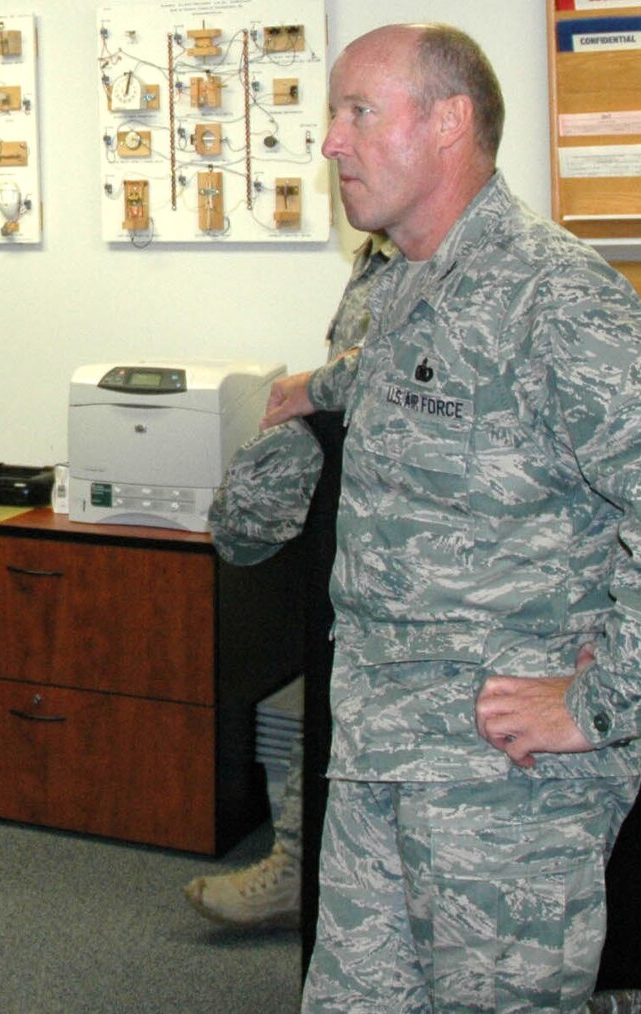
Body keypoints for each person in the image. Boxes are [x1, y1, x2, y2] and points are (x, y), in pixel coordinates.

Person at [239, 23, 641, 1014]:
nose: (329, 142)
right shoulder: (385, 286)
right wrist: (305, 395)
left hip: (502, 788)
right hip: (375, 750)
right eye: (331, 114)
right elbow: (387, 387)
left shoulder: (554, 295)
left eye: (357, 111)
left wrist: (591, 704)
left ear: (449, 120)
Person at [185, 234, 394, 929]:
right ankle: (298, 869)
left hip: (421, 553)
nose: (338, 145)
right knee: (329, 707)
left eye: (360, 117)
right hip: (356, 530)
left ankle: (323, 883)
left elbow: (414, 370)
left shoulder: (455, 255)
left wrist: (314, 386)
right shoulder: (377, 253)